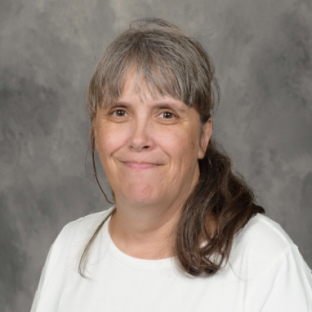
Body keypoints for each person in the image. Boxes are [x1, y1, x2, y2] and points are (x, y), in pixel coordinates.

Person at [31, 18, 312, 312]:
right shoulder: (69, 248)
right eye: (119, 112)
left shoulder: (264, 261)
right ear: (95, 130)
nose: (139, 139)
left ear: (203, 137)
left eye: (166, 114)